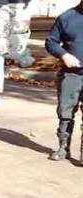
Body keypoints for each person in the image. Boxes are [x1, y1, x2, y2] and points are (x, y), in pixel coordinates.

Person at [46, 1, 83, 163]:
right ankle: (63, 147)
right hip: (71, 74)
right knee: (65, 113)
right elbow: (51, 42)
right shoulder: (67, 17)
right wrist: (64, 55)